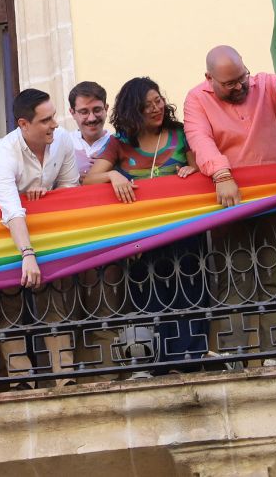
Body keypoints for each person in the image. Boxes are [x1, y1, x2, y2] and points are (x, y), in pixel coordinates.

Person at [183, 46, 276, 364]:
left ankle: (274, 359)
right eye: (230, 83)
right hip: (228, 203)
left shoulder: (263, 84)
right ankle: (232, 360)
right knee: (235, 281)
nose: (239, 86)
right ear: (209, 79)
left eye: (242, 77)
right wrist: (221, 174)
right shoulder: (196, 99)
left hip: (275, 200)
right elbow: (200, 139)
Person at [85, 77, 207, 375]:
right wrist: (113, 176)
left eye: (158, 101)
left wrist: (192, 169)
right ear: (132, 111)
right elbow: (88, 179)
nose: (156, 108)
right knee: (151, 299)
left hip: (184, 231)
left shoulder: (180, 134)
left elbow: (201, 169)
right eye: (147, 105)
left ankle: (188, 362)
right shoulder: (120, 143)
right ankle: (161, 365)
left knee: (189, 294)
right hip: (143, 239)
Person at [0, 88, 79, 388]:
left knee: (55, 303)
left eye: (53, 116)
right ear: (23, 124)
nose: (55, 124)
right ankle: (21, 382)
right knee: (9, 304)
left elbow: (70, 188)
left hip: (50, 234)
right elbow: (11, 208)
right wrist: (27, 254)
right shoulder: (4, 151)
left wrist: (49, 197)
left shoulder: (63, 139)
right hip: (6, 236)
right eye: (46, 120)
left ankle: (64, 378)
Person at [61, 81, 112, 180]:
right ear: (72, 113)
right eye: (84, 112)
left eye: (97, 110)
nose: (91, 118)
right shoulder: (64, 143)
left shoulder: (118, 143)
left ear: (106, 109)